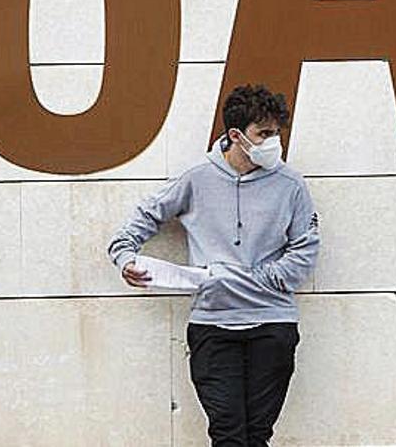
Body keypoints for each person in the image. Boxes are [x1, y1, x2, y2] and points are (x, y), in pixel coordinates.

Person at [107, 85, 320, 446]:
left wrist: (241, 279)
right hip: (213, 328)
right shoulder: (197, 179)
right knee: (227, 434)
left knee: (257, 436)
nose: (273, 142)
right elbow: (142, 219)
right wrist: (126, 257)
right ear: (236, 136)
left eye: (275, 133)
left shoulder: (291, 185)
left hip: (273, 325)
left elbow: (304, 256)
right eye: (263, 134)